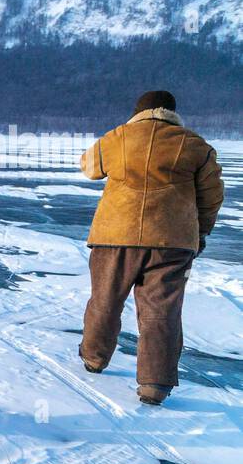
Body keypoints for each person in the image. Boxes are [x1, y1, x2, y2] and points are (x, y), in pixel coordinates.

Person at [78, 90, 224, 406]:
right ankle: (155, 385)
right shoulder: (195, 145)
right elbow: (211, 197)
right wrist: (200, 233)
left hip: (114, 238)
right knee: (162, 312)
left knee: (105, 300)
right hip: (172, 242)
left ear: (138, 111)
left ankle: (94, 358)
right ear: (173, 112)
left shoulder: (117, 138)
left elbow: (89, 167)